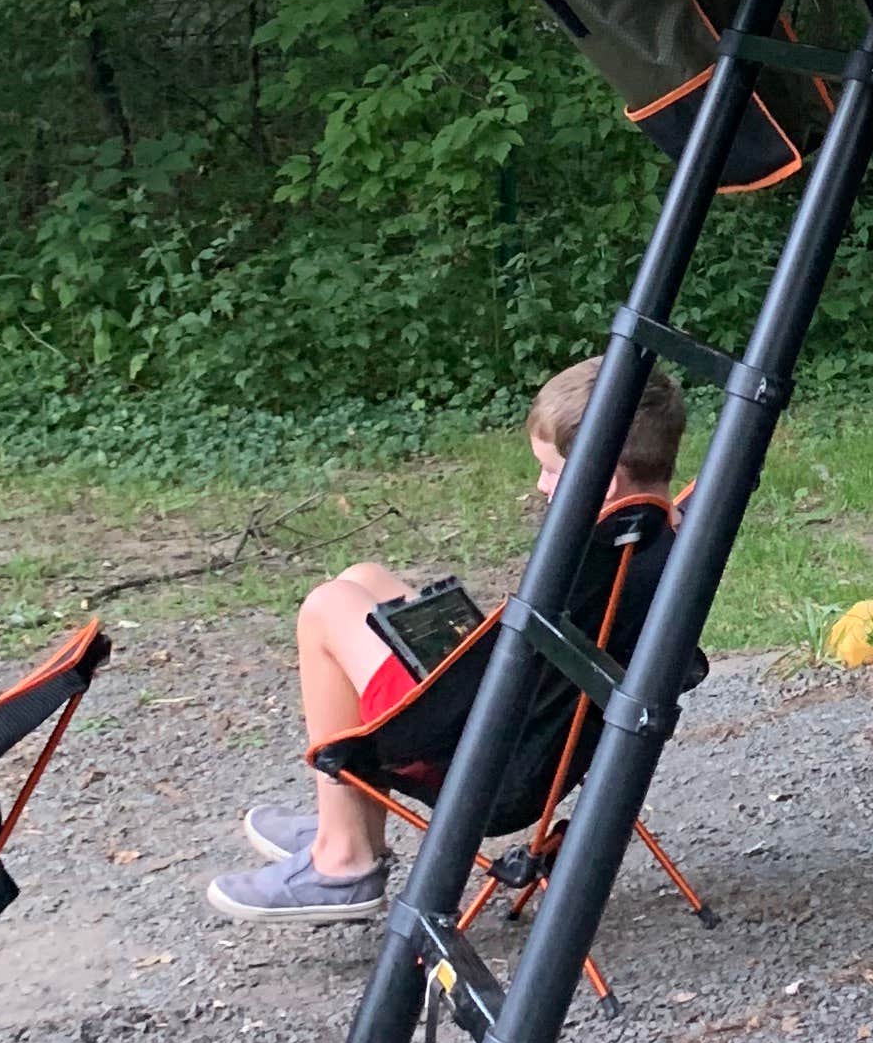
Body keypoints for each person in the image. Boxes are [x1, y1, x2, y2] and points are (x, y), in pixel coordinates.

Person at [207, 356, 689, 926]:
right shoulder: (662, 537)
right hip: (530, 717)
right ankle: (347, 817)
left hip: (490, 757)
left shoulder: (590, 551)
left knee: (326, 609)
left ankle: (343, 858)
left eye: (552, 471)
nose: (540, 485)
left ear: (601, 480)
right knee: (364, 579)